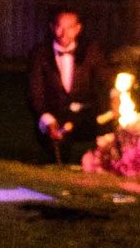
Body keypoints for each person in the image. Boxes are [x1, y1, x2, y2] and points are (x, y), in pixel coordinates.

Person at [26, 9, 109, 164]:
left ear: (78, 29)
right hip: (55, 117)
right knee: (59, 151)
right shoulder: (40, 54)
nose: (64, 33)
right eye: (59, 27)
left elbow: (105, 81)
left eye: (69, 28)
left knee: (111, 126)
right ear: (52, 27)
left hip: (85, 116)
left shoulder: (91, 51)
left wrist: (114, 98)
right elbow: (34, 94)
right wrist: (48, 120)